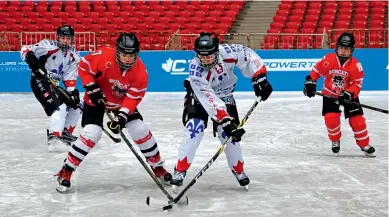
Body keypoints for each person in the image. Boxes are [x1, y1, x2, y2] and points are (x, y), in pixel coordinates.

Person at [55, 33, 172, 193]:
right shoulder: (103, 55)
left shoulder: (141, 72)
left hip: (120, 103)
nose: (127, 59)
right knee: (92, 133)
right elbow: (84, 66)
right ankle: (67, 169)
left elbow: (132, 98)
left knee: (139, 129)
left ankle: (157, 167)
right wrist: (91, 87)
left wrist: (121, 117)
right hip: (96, 100)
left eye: (131, 55)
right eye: (124, 54)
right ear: (117, 51)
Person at [170, 32, 273, 192]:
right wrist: (226, 121)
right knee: (194, 129)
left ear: (216, 51)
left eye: (209, 56)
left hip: (225, 94)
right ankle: (180, 169)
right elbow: (209, 99)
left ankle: (238, 170)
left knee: (229, 136)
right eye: (201, 56)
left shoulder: (227, 52)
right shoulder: (195, 70)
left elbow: (248, 54)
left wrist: (259, 77)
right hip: (199, 96)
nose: (205, 60)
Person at [303, 32, 375, 157]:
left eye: (346, 49)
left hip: (348, 96)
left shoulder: (356, 66)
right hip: (330, 94)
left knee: (358, 121)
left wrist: (347, 94)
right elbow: (316, 71)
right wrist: (310, 82)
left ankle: (364, 144)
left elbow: (357, 85)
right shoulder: (328, 59)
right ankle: (335, 140)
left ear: (352, 50)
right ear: (337, 48)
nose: (343, 51)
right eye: (341, 48)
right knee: (331, 120)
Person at [20, 25, 81, 152]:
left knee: (77, 105)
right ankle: (54, 138)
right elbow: (25, 49)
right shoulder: (48, 46)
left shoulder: (74, 56)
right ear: (58, 38)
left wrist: (72, 93)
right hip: (39, 80)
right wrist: (29, 57)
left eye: (68, 38)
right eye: (63, 37)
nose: (65, 41)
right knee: (60, 107)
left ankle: (65, 133)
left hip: (54, 84)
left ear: (72, 40)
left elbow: (69, 77)